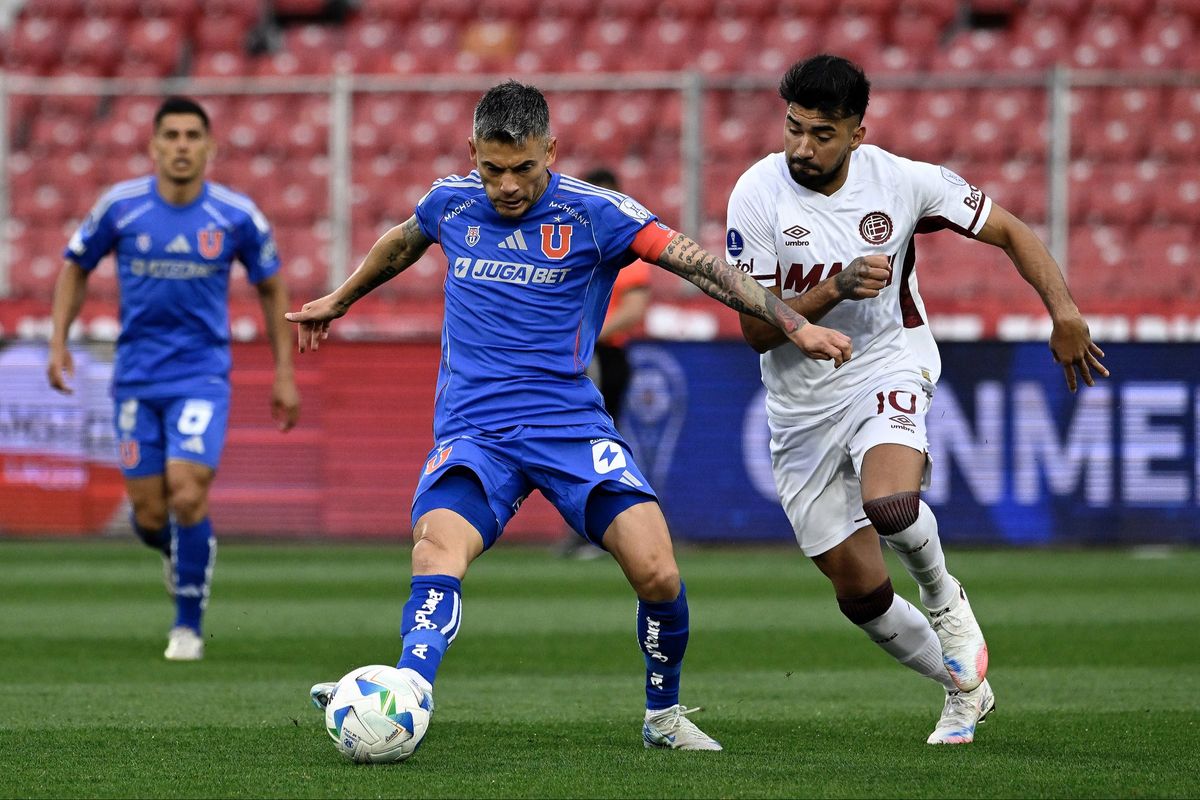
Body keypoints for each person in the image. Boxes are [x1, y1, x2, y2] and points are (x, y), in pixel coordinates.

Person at [291, 80, 851, 751]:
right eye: (492, 169)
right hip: (476, 430)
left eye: (523, 168)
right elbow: (404, 241)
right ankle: (410, 689)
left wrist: (791, 321)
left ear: (551, 151)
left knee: (657, 572)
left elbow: (701, 267)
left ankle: (663, 717)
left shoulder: (596, 215)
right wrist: (341, 298)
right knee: (437, 549)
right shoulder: (450, 201)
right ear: (473, 153)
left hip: (569, 426)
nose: (505, 187)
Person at [729, 55, 1108, 745]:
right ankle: (966, 689)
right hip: (799, 403)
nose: (801, 147)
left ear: (857, 133)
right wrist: (832, 291)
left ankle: (945, 601)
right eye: (793, 129)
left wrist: (1065, 312)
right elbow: (756, 329)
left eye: (821, 134)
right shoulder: (757, 195)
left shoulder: (903, 182)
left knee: (893, 504)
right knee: (861, 595)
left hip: (886, 360)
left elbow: (1011, 231)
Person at [46, 96, 301, 661]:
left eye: (192, 135)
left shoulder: (236, 215)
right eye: (172, 135)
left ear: (209, 147)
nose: (182, 145)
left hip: (201, 375)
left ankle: (187, 625)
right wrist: (59, 340)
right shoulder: (121, 207)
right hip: (136, 377)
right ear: (154, 145)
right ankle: (180, 551)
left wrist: (284, 372)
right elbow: (75, 266)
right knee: (150, 513)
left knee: (187, 493)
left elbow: (272, 286)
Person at [558, 166, 652, 558]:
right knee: (579, 446)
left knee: (597, 445)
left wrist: (586, 335)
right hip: (579, 355)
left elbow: (634, 310)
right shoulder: (568, 245)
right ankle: (592, 528)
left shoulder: (625, 247)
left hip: (604, 355)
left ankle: (607, 529)